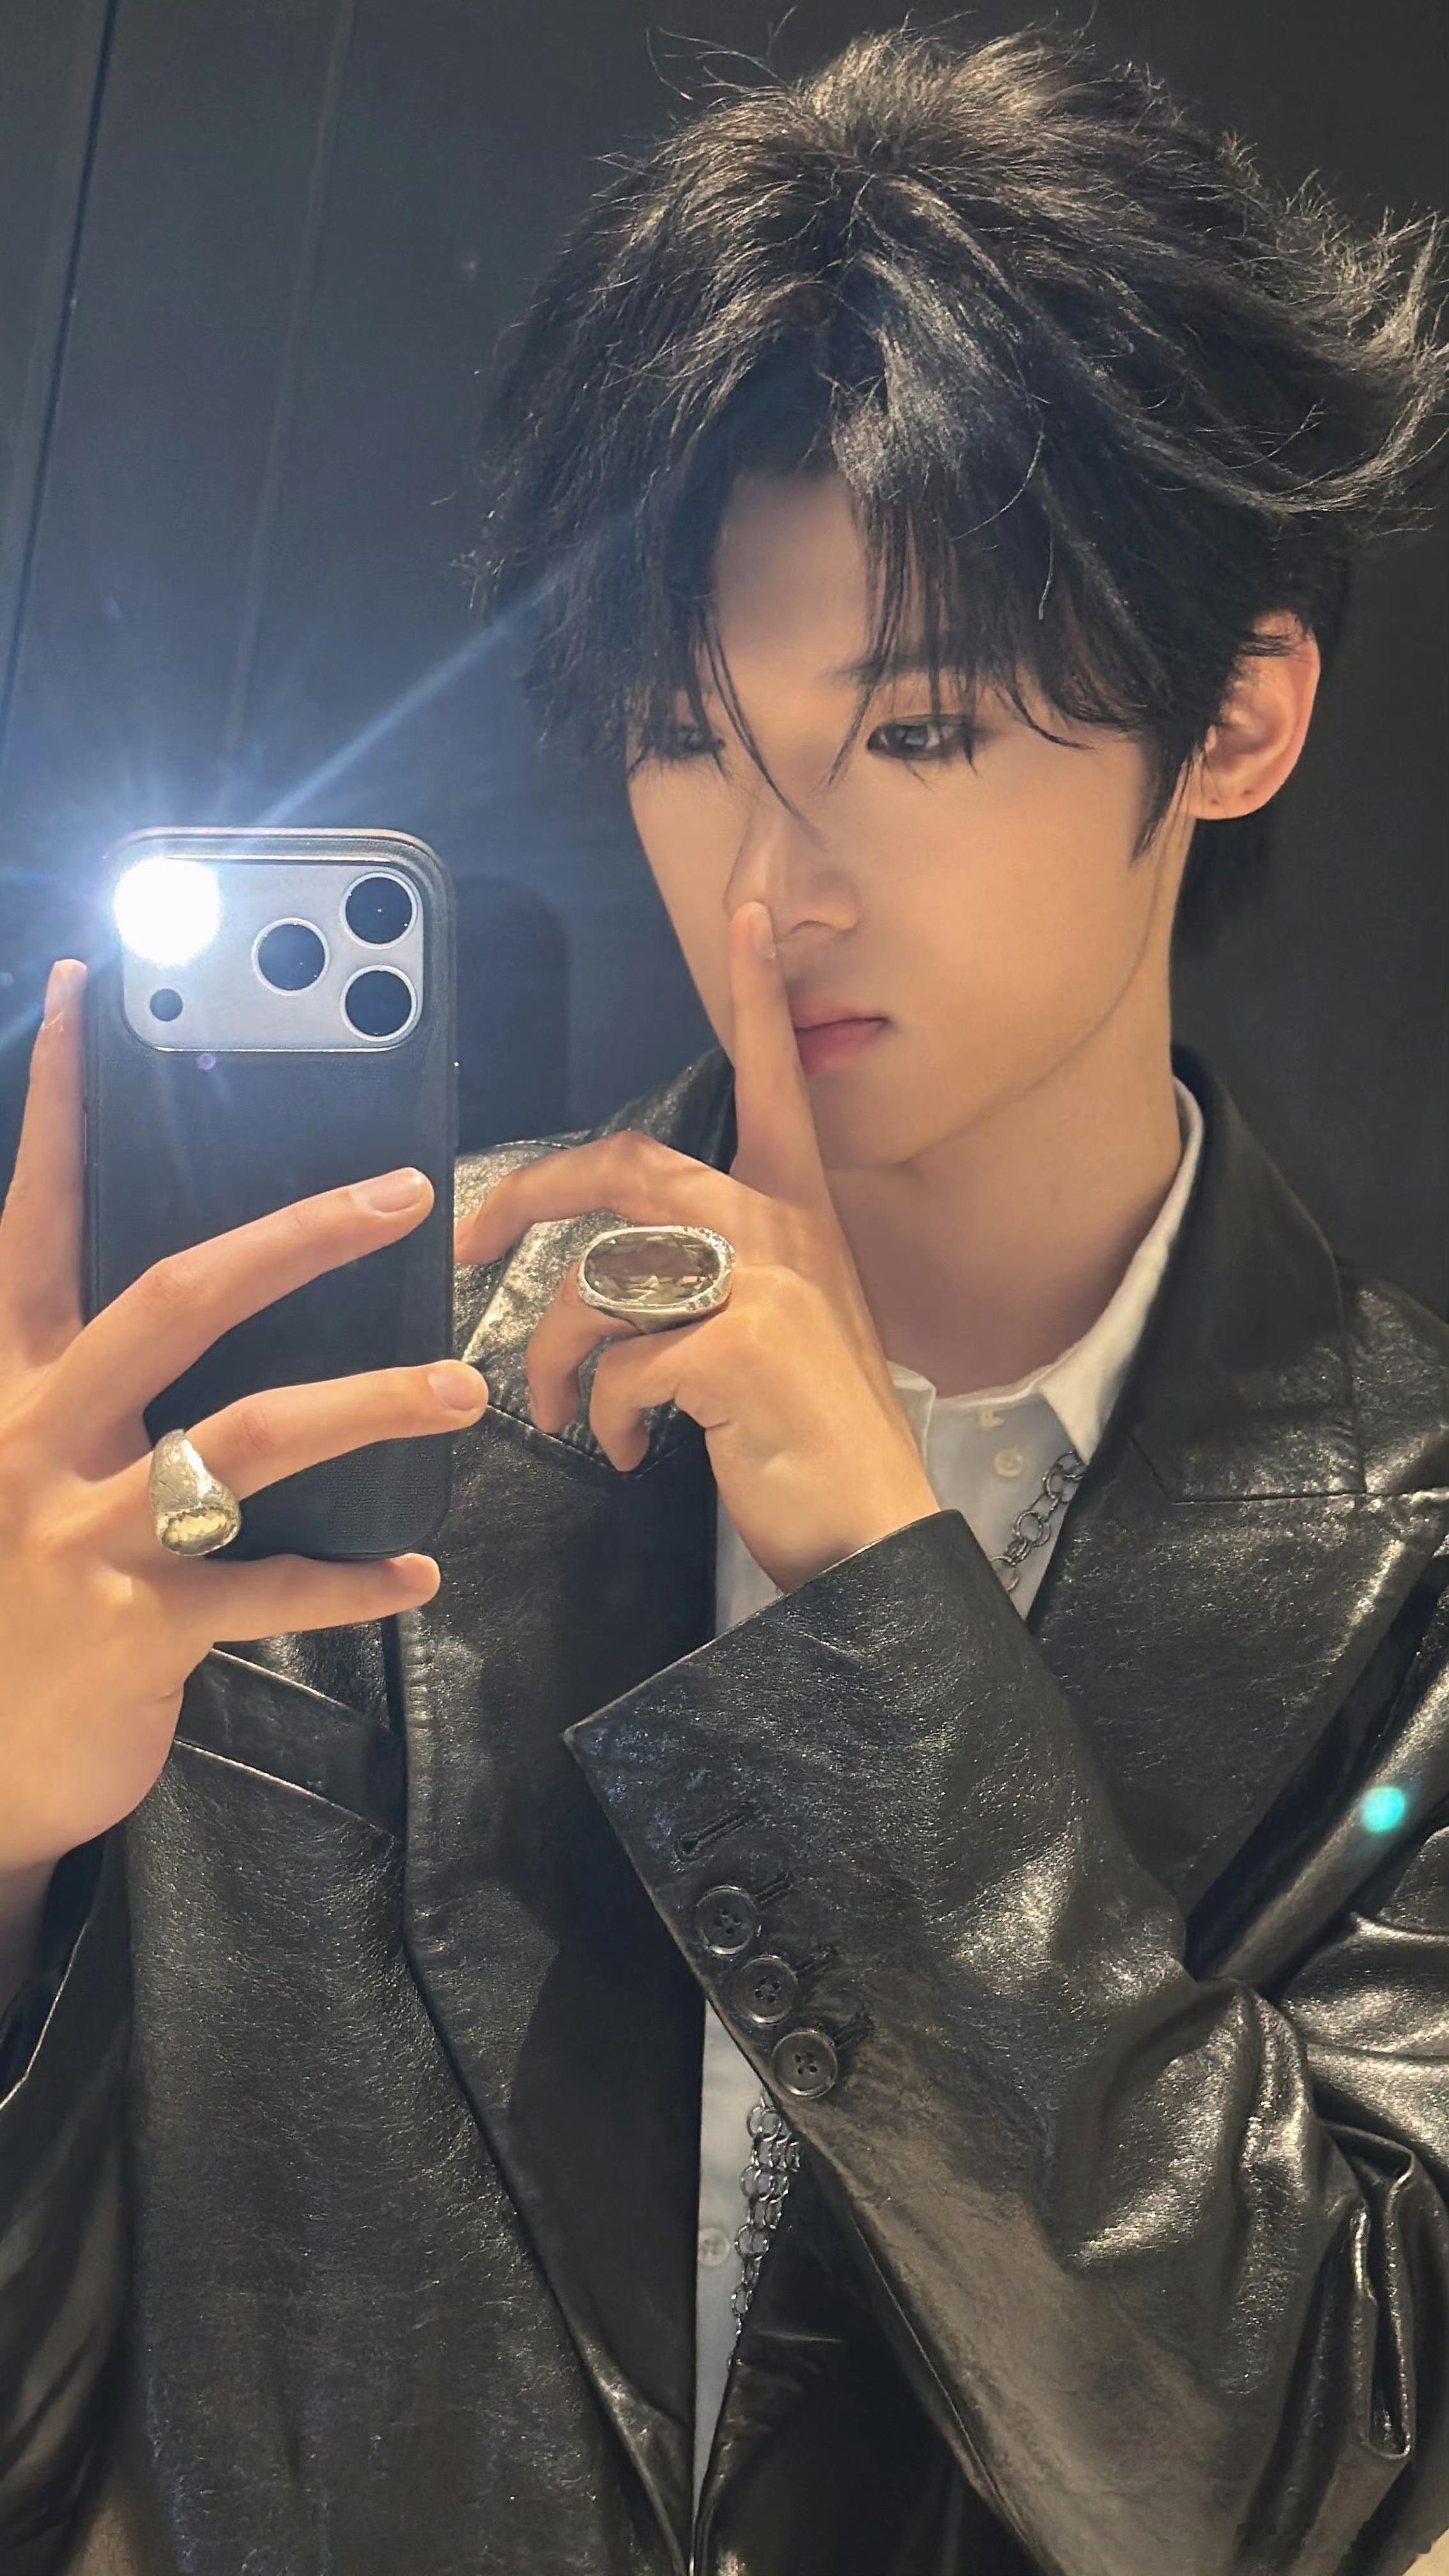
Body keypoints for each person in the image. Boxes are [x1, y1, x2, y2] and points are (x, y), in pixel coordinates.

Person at [2, 22, 1448, 2574]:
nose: (774, 885)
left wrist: (879, 1611)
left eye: (923, 729)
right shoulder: (329, 1384)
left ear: (1235, 719)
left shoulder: (1410, 1572)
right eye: (690, 739)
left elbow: (1297, 2489)